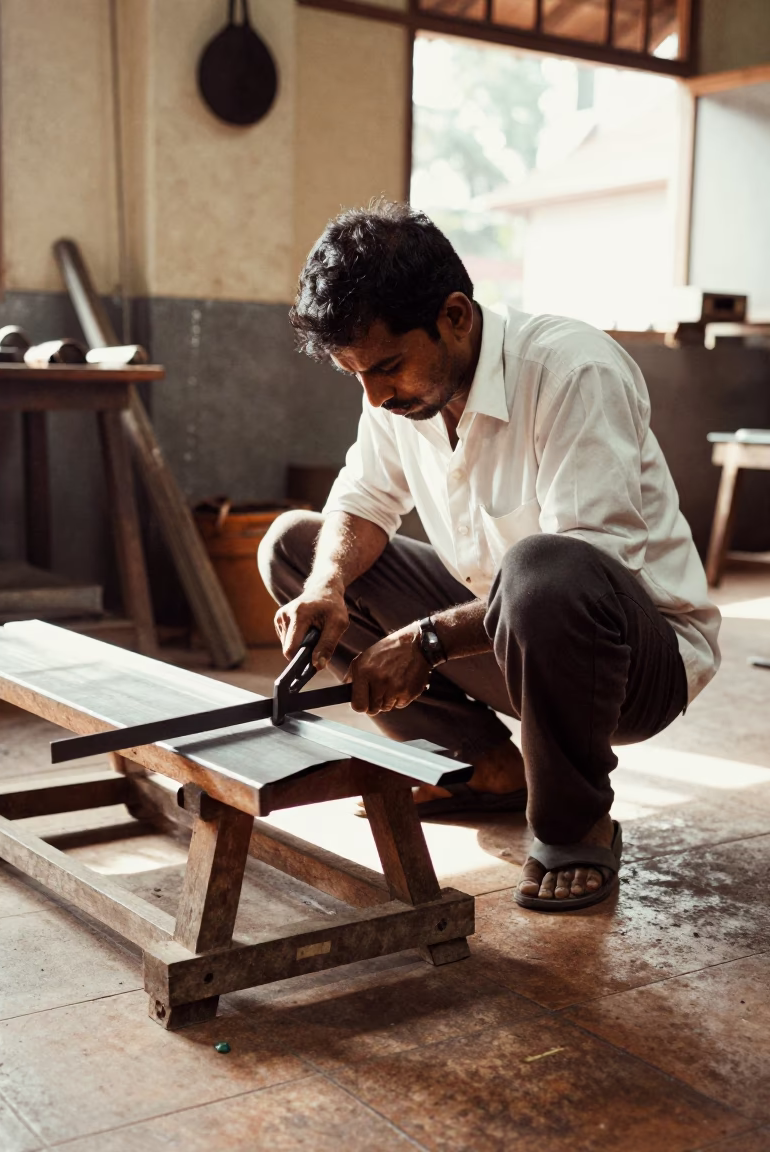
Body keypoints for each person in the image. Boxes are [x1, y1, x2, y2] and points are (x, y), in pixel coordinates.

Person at [258, 199, 720, 912]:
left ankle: (575, 824)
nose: (376, 395)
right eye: (357, 376)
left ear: (456, 316)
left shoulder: (571, 369)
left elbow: (588, 563)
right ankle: (491, 767)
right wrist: (326, 585)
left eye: (386, 368)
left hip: (626, 662)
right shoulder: (398, 397)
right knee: (296, 545)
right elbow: (363, 500)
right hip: (512, 638)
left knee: (543, 569)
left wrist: (429, 639)